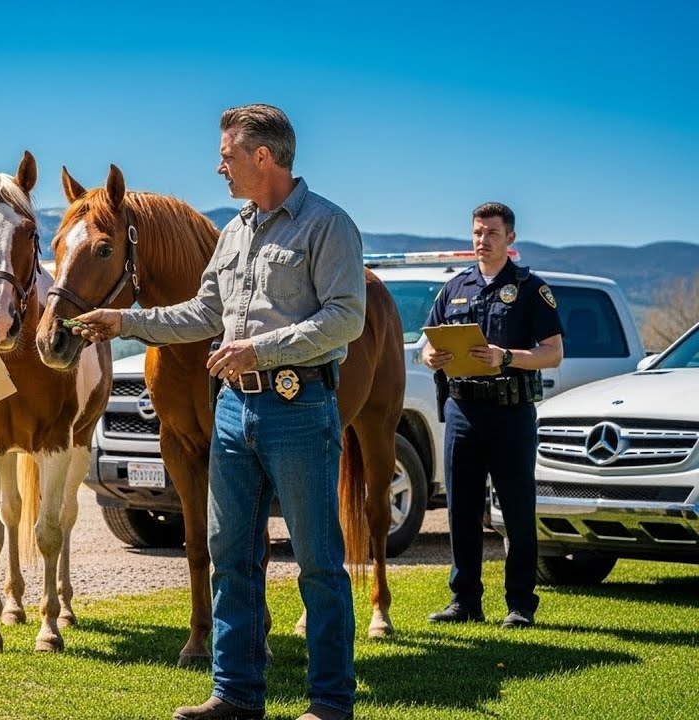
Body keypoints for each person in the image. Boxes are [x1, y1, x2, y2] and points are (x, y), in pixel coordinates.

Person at [72, 104, 364, 720]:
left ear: (263, 156)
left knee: (318, 562)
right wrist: (124, 321)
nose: (219, 167)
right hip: (232, 409)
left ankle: (330, 702)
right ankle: (235, 694)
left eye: (227, 155)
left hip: (299, 404)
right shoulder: (234, 233)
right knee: (230, 555)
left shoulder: (327, 225)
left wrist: (259, 349)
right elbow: (203, 313)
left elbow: (345, 318)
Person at [422, 202, 563, 630]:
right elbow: (428, 345)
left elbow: (552, 353)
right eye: (478, 232)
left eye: (492, 233)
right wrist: (432, 357)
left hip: (510, 413)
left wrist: (506, 357)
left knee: (517, 511)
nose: (482, 240)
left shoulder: (530, 288)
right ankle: (464, 600)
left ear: (510, 238)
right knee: (461, 510)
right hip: (462, 410)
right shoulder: (455, 287)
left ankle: (520, 604)